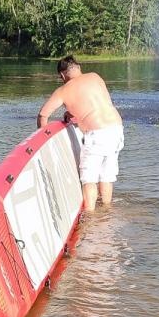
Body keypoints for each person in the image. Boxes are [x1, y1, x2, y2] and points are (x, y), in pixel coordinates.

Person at [37, 55, 124, 211]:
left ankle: (90, 218)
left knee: (89, 179)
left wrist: (42, 142)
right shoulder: (95, 77)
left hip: (97, 134)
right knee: (107, 176)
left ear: (62, 75)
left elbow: (43, 115)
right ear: (78, 68)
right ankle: (107, 212)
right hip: (116, 128)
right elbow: (92, 105)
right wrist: (71, 113)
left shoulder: (63, 90)